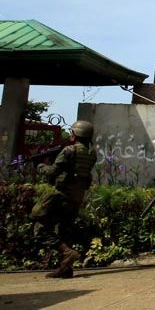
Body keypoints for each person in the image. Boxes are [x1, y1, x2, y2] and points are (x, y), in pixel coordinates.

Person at [30, 120, 97, 279]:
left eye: (72, 132)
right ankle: (66, 269)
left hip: (61, 194)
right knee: (64, 230)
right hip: (76, 196)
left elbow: (52, 172)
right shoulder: (90, 153)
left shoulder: (68, 151)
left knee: (39, 226)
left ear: (77, 134)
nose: (71, 135)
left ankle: (67, 252)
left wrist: (39, 165)